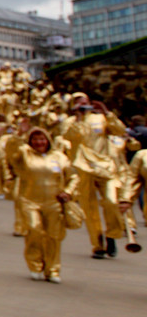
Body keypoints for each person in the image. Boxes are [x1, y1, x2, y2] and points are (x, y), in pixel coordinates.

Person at [6, 122, 77, 283]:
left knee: (53, 236)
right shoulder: (24, 153)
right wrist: (18, 136)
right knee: (34, 230)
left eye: (42, 139)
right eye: (35, 139)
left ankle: (52, 269)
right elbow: (11, 156)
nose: (39, 142)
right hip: (29, 200)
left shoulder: (59, 157)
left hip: (53, 202)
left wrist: (68, 192)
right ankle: (35, 265)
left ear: (48, 140)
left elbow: (73, 176)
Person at [62, 94, 127, 258]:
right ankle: (98, 244)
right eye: (78, 102)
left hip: (105, 167)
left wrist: (107, 112)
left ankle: (112, 235)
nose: (82, 104)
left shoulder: (101, 118)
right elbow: (67, 138)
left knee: (112, 202)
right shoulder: (70, 122)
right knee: (90, 209)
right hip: (83, 169)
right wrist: (77, 118)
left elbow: (120, 130)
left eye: (85, 102)